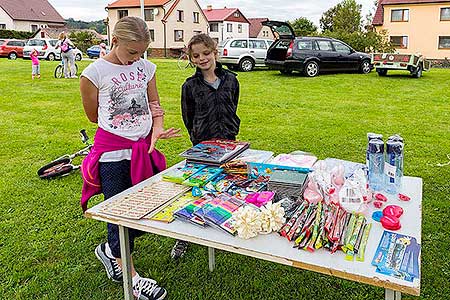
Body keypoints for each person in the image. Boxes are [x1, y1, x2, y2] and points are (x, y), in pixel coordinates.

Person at [79, 16, 180, 300]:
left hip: (142, 150)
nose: (136, 59)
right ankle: (132, 278)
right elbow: (93, 116)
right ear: (114, 41)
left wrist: (156, 129)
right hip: (112, 154)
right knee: (119, 214)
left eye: (141, 52)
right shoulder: (93, 73)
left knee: (141, 210)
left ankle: (110, 251)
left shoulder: (147, 67)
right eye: (131, 52)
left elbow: (155, 105)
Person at [173, 33, 241, 259]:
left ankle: (220, 223)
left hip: (229, 144)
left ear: (215, 52)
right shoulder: (190, 86)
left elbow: (234, 105)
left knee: (226, 187)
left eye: (206, 53)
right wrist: (197, 138)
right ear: (191, 59)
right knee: (195, 190)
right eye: (196, 55)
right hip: (203, 148)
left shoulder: (231, 79)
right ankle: (183, 235)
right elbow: (188, 116)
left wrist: (231, 127)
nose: (202, 58)